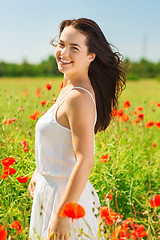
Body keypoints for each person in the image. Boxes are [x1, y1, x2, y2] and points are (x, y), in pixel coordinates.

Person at [28, 18, 126, 240]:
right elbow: (59, 142)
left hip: (65, 200)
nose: (64, 53)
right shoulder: (69, 87)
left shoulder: (78, 97)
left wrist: (63, 214)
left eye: (74, 48)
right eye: (61, 44)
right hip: (53, 194)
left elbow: (85, 159)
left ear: (91, 56)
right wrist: (40, 172)